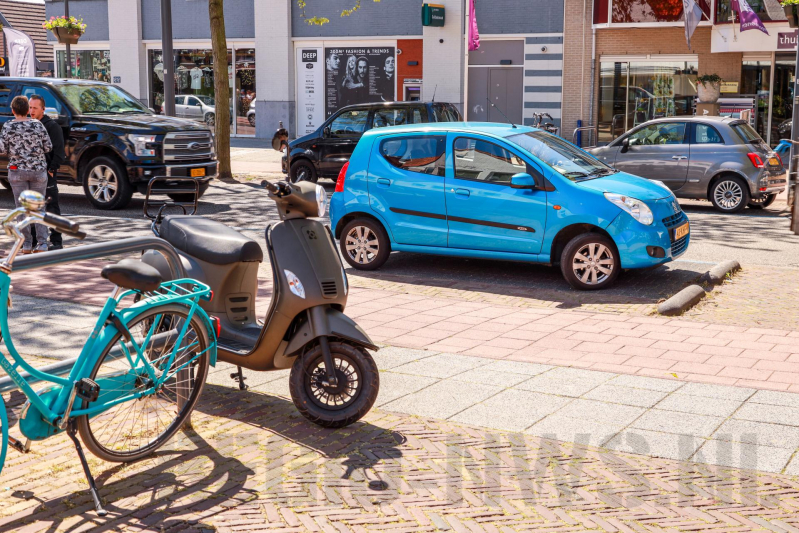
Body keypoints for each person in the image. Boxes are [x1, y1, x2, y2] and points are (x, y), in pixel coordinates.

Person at [0, 95, 52, 253]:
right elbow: (48, 146)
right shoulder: (37, 125)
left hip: (17, 171)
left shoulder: (8, 126)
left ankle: (26, 243)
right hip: (38, 170)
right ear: (27, 110)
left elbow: (1, 149)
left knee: (21, 208)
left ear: (13, 110)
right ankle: (42, 243)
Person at [29, 94, 66, 250]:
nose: (31, 110)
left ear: (43, 109)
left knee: (51, 207)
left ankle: (56, 241)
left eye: (34, 108)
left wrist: (51, 169)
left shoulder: (51, 126)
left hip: (46, 173)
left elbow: (59, 151)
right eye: (29, 107)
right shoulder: (28, 124)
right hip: (31, 173)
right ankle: (32, 241)